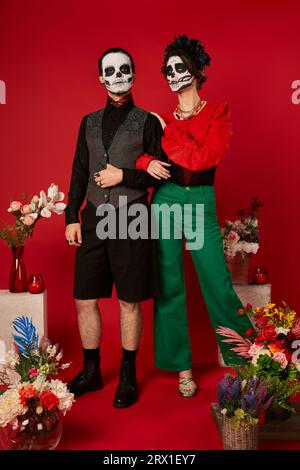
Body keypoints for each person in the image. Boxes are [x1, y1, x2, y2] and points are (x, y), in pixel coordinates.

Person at [102, 35, 253, 398]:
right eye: (168, 70)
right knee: (169, 284)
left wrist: (168, 132)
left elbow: (202, 158)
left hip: (199, 202)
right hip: (166, 202)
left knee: (216, 281)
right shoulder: (159, 118)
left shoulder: (216, 113)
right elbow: (143, 157)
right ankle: (183, 369)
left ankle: (247, 361)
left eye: (180, 67)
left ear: (197, 71)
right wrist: (148, 161)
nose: (173, 74)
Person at [65, 47, 168, 408]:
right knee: (84, 298)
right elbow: (79, 170)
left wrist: (123, 175)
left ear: (134, 74)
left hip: (132, 217)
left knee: (129, 301)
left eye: (125, 68)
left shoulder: (148, 122)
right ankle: (92, 372)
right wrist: (71, 215)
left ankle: (127, 373)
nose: (119, 75)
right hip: (93, 216)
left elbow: (162, 174)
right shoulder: (88, 121)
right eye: (111, 70)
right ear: (101, 78)